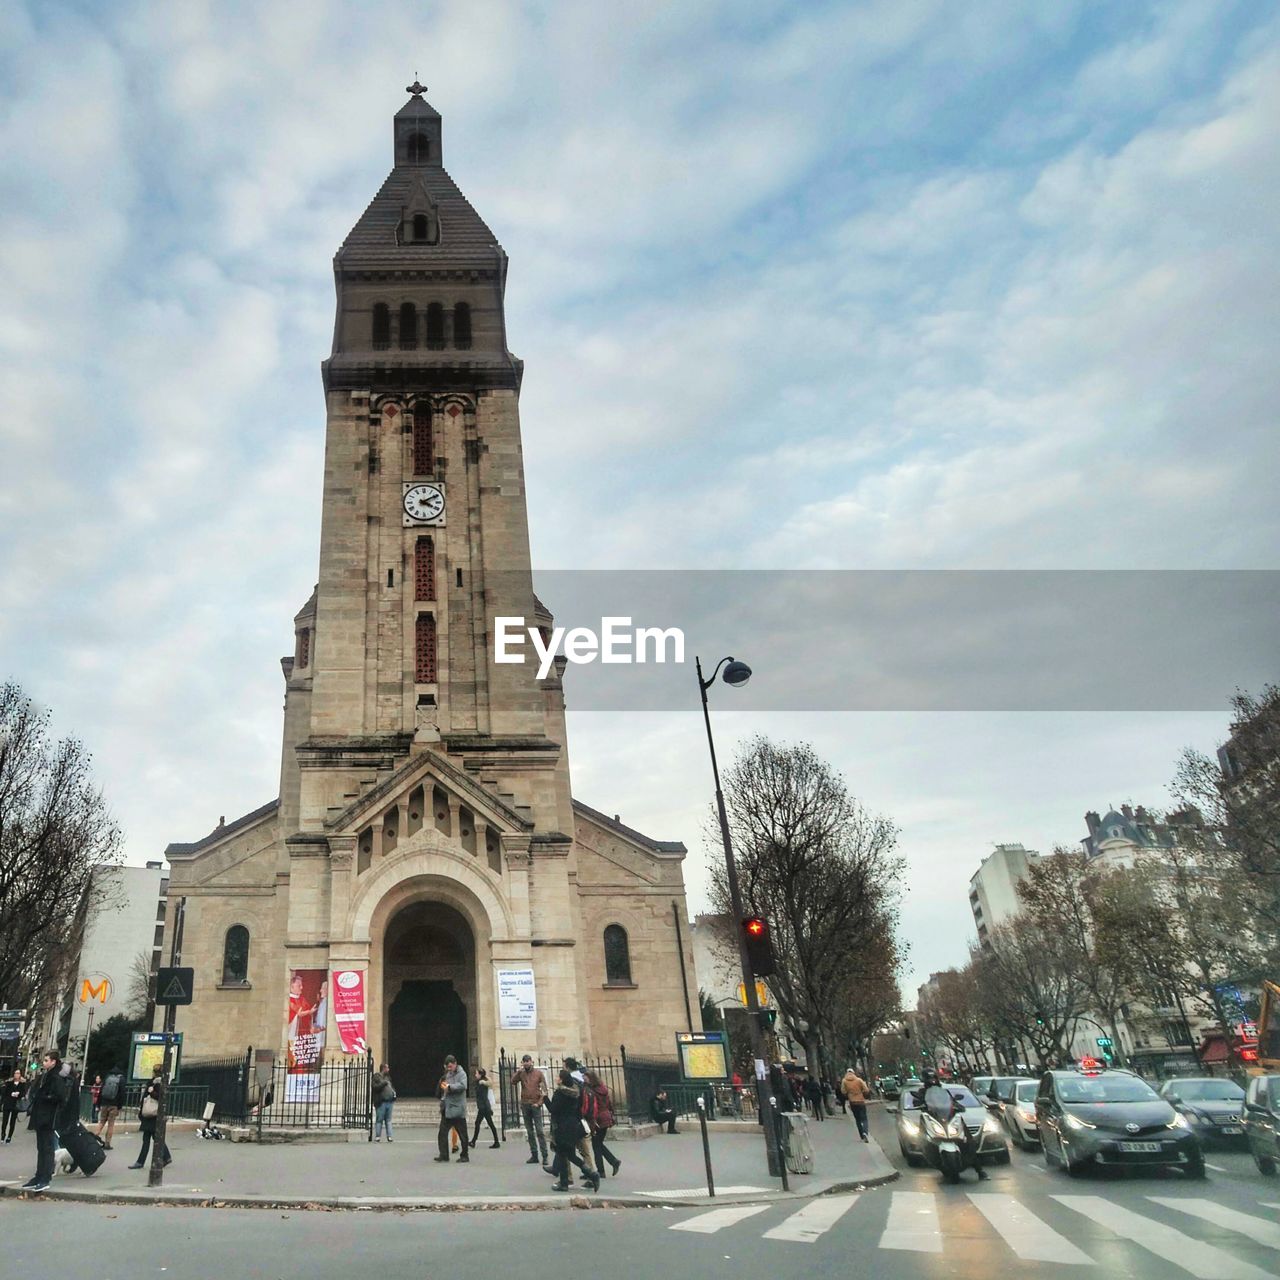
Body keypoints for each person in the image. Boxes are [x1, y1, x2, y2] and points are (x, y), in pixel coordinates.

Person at [23, 1050, 69, 1192]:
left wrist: (45, 1098)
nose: (44, 1062)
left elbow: (61, 1097)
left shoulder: (56, 1077)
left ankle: (45, 1178)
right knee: (41, 1147)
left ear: (53, 1062)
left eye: (46, 1060)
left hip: (48, 1117)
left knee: (47, 1148)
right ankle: (39, 1175)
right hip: (41, 1115)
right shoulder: (47, 1075)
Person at [545, 1070, 598, 1191]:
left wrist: (544, 1098)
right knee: (569, 1155)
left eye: (558, 1077)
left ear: (562, 1079)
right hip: (573, 1126)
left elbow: (553, 1109)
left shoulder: (560, 1093)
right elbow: (578, 1110)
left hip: (562, 1127)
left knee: (565, 1155)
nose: (556, 1078)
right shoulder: (576, 1093)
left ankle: (567, 1183)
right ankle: (588, 1175)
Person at [129, 1065, 172, 1171]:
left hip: (152, 1115)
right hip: (153, 1115)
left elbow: (160, 1097)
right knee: (155, 1138)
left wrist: (151, 1091)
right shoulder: (159, 1082)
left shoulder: (157, 1083)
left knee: (148, 1139)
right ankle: (166, 1157)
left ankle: (141, 1161)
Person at [511, 1054, 549, 1167]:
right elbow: (513, 1081)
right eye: (524, 1061)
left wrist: (539, 1103)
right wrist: (518, 1071)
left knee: (539, 1131)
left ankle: (545, 1155)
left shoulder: (538, 1074)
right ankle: (534, 1154)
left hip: (535, 1105)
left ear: (531, 1062)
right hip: (525, 1104)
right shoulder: (521, 1074)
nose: (526, 1063)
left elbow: (544, 1090)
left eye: (528, 1061)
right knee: (530, 1131)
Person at [564, 1057, 598, 1181]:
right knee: (585, 1151)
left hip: (573, 1122)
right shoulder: (584, 1086)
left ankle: (567, 1179)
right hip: (582, 1121)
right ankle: (592, 1175)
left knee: (566, 1151)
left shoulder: (571, 1087)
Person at [584, 1070, 621, 1178]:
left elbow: (593, 1107)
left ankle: (601, 1171)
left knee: (596, 1146)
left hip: (598, 1119)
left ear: (590, 1079)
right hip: (605, 1117)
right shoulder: (603, 1089)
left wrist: (591, 1120)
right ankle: (614, 1162)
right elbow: (609, 1103)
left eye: (585, 1078)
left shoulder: (592, 1091)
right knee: (598, 1143)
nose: (584, 1080)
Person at [434, 1054, 469, 1163]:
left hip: (458, 1108)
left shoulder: (462, 1074)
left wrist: (450, 1087)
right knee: (442, 1133)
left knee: (462, 1134)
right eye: (447, 1067)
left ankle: (464, 1155)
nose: (449, 1069)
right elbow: (446, 1087)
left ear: (455, 1064)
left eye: (450, 1066)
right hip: (448, 1108)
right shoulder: (448, 1074)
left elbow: (463, 1086)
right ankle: (444, 1155)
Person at [94, 1065, 125, 1149]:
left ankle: (94, 1138)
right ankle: (107, 1144)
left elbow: (101, 1091)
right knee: (111, 1125)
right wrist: (120, 1106)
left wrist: (98, 1104)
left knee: (101, 1122)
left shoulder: (107, 1078)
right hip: (114, 1105)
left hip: (104, 1103)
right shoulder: (121, 1079)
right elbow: (122, 1094)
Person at [471, 1067, 499, 1149]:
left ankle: (473, 1141)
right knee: (489, 1124)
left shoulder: (482, 1083)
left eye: (476, 1073)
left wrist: (488, 1108)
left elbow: (483, 1097)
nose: (475, 1075)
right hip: (484, 1107)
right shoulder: (480, 1082)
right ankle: (496, 1141)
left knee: (479, 1123)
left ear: (480, 1074)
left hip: (483, 1107)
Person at [840, 1066, 871, 1142]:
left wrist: (849, 1093)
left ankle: (861, 1135)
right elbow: (866, 1089)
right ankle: (865, 1132)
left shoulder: (844, 1081)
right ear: (853, 1073)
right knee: (864, 1118)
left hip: (852, 1102)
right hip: (860, 1101)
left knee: (857, 1119)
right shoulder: (859, 1080)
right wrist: (862, 1092)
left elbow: (843, 1091)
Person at [372, 1063, 396, 1142]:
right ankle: (378, 1136)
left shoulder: (388, 1077)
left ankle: (389, 1136)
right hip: (381, 1102)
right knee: (379, 1120)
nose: (388, 1069)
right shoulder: (376, 1077)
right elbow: (375, 1087)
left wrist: (393, 1094)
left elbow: (391, 1087)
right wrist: (383, 1083)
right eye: (387, 1068)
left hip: (389, 1101)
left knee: (388, 1120)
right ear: (383, 1069)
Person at [2, 1068, 24, 1143]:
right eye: (15, 1073)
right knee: (5, 1121)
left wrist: (19, 1094)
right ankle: (3, 1134)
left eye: (18, 1073)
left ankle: (9, 1137)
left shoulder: (22, 1084)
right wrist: (11, 1094)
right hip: (8, 1103)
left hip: (15, 1104)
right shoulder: (9, 1083)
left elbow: (23, 1093)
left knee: (12, 1122)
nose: (16, 1075)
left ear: (20, 1075)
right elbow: (4, 1092)